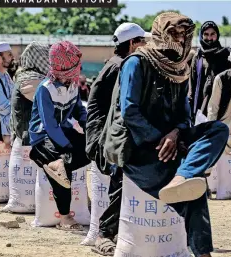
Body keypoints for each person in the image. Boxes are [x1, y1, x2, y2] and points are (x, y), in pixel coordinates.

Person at [118, 12, 229, 256]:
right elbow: (130, 111)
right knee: (194, 192)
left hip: (174, 142)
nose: (179, 40)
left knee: (218, 129)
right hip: (142, 149)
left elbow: (184, 113)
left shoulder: (181, 67)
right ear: (160, 34)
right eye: (174, 34)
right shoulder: (137, 63)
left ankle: (184, 173)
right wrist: (161, 138)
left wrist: (177, 133)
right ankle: (203, 253)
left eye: (184, 35)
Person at [86, 22, 148, 255]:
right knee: (121, 180)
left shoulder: (118, 64)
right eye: (141, 41)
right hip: (106, 138)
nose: (145, 46)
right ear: (132, 43)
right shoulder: (121, 66)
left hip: (109, 134)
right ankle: (104, 234)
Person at [29, 41, 90, 231]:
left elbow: (80, 110)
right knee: (62, 168)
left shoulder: (72, 85)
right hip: (43, 138)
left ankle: (52, 162)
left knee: (92, 149)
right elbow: (49, 125)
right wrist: (68, 147)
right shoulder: (45, 89)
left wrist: (89, 129)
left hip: (63, 134)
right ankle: (64, 218)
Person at [189, 21, 231, 122]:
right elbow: (192, 84)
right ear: (201, 36)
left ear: (217, 35)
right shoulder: (198, 57)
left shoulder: (226, 56)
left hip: (222, 106)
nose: (209, 38)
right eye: (206, 34)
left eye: (213, 34)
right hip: (201, 108)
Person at [11, 41, 50, 146]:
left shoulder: (29, 76)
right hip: (29, 142)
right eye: (45, 57)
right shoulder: (30, 79)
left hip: (28, 139)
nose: (49, 61)